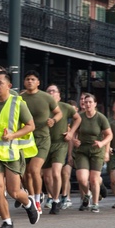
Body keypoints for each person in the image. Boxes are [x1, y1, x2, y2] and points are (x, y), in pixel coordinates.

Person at [0, 71, 40, 228]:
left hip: (12, 153)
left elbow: (30, 125)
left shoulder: (18, 103)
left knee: (14, 191)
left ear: (9, 86)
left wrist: (12, 136)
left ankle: (28, 203)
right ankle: (7, 223)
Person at [19, 71, 62, 212]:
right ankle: (31, 198)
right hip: (26, 139)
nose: (30, 81)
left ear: (38, 82)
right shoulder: (20, 98)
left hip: (43, 138)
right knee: (25, 175)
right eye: (27, 79)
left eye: (33, 79)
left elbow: (58, 112)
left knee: (34, 170)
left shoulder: (46, 97)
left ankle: (37, 200)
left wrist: (53, 120)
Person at [73, 93, 111, 212]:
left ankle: (95, 203)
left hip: (96, 150)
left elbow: (109, 135)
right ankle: (87, 193)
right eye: (85, 102)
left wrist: (102, 144)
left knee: (94, 179)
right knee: (82, 179)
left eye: (90, 102)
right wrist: (74, 140)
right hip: (82, 150)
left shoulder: (100, 118)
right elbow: (72, 132)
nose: (87, 104)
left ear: (95, 104)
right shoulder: (79, 117)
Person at [45, 84, 80, 213]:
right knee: (47, 177)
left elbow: (78, 119)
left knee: (56, 172)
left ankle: (55, 201)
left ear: (59, 95)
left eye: (54, 91)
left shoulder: (66, 107)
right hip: (45, 143)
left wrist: (71, 133)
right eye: (48, 91)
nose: (51, 93)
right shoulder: (43, 108)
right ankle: (52, 196)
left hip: (60, 143)